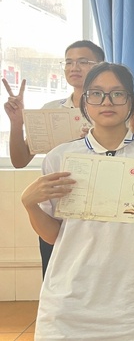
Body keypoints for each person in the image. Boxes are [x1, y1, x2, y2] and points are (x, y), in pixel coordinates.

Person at [21, 62, 134, 340]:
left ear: (131, 101)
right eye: (96, 93)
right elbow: (53, 236)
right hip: (68, 300)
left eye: (117, 93)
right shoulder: (60, 157)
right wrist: (29, 204)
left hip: (131, 303)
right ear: (84, 101)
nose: (106, 102)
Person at [3, 39, 105, 277]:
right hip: (55, 212)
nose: (74, 68)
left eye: (83, 61)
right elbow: (20, 160)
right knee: (56, 279)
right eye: (68, 62)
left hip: (99, 208)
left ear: (101, 66)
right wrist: (17, 123)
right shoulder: (52, 109)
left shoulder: (111, 109)